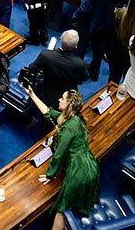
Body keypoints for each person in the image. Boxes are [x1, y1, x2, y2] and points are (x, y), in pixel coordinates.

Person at [27, 87, 100, 230]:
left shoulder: (68, 128)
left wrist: (50, 174)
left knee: (62, 209)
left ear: (69, 105)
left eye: (62, 98)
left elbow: (60, 154)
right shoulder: (75, 118)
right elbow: (49, 112)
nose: (59, 100)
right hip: (90, 165)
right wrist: (32, 95)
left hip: (78, 171)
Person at [73, 0, 126, 80]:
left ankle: (77, 74)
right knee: (99, 50)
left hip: (89, 23)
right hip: (107, 22)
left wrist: (75, 18)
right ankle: (94, 73)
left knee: (81, 49)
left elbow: (84, 7)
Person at [28, 30, 88, 134]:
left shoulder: (46, 55)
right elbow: (83, 78)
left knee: (46, 121)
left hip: (47, 94)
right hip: (69, 98)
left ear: (60, 39)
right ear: (76, 46)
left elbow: (32, 69)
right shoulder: (80, 64)